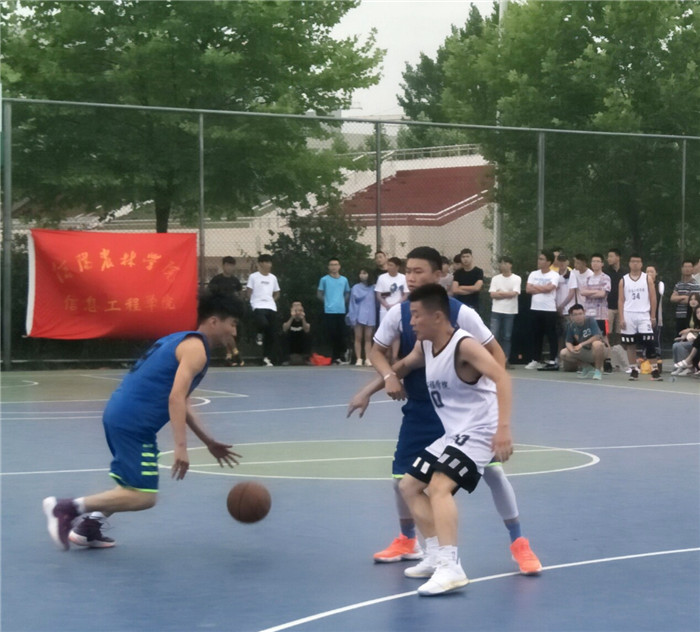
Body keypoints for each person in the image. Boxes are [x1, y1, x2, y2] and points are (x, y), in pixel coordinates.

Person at [347, 246, 540, 575]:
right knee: (404, 480)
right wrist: (380, 383)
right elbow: (390, 357)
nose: (410, 277)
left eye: (418, 271)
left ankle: (517, 542)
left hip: (469, 414)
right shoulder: (404, 315)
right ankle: (413, 542)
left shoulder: (460, 317)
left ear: (439, 275)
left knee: (489, 474)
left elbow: (497, 360)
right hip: (424, 408)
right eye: (407, 271)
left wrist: (488, 405)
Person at [42, 292, 243, 551]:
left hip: (122, 415)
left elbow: (184, 401)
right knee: (144, 496)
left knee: (131, 482)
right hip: (133, 423)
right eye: (232, 324)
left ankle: (88, 528)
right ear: (214, 321)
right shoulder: (196, 350)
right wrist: (180, 447)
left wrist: (208, 442)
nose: (234, 332)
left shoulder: (180, 340)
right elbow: (175, 397)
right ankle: (65, 508)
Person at [385, 283, 519, 595]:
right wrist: (373, 387)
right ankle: (434, 555)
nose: (411, 322)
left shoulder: (464, 346)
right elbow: (401, 368)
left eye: (416, 315)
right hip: (454, 433)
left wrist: (503, 428)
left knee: (439, 487)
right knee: (408, 485)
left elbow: (502, 376)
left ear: (437, 316)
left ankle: (451, 567)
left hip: (480, 432)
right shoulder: (426, 346)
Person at [618, 254, 661, 381]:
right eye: (633, 261)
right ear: (629, 263)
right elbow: (621, 300)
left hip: (643, 314)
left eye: (638, 261)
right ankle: (633, 369)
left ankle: (654, 369)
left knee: (649, 341)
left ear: (641, 264)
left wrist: (652, 316)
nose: (635, 264)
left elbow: (653, 298)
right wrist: (621, 318)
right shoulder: (623, 280)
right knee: (630, 343)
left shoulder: (647, 279)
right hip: (629, 314)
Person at [525, 250, 560, 370]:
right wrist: (543, 288)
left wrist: (535, 286)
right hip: (535, 308)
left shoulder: (554, 275)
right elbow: (528, 289)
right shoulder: (533, 274)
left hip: (549, 309)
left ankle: (553, 359)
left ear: (548, 262)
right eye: (539, 259)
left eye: (542, 259)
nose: (539, 261)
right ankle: (536, 359)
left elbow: (550, 288)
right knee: (536, 335)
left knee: (551, 335)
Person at [208, 256, 244, 366]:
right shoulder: (217, 280)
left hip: (232, 310)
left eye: (232, 266)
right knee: (226, 332)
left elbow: (240, 294)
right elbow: (210, 294)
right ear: (223, 266)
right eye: (228, 265)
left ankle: (229, 356)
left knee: (229, 333)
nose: (230, 268)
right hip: (220, 310)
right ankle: (235, 354)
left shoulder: (235, 281)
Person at [246, 254, 280, 367]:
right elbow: (249, 291)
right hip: (258, 305)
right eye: (267, 262)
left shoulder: (273, 278)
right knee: (263, 323)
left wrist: (272, 300)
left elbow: (277, 293)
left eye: (270, 262)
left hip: (271, 306)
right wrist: (252, 302)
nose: (269, 265)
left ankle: (266, 358)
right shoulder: (253, 277)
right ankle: (258, 333)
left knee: (271, 333)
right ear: (261, 263)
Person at [318, 257, 351, 364]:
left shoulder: (344, 280)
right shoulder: (324, 279)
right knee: (331, 334)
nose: (334, 267)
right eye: (331, 265)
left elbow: (347, 292)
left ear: (339, 266)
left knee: (341, 334)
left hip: (341, 311)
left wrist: (342, 302)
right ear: (328, 267)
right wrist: (327, 302)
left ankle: (342, 355)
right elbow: (319, 293)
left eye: (336, 264)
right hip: (329, 311)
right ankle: (333, 356)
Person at [489, 255, 521, 364]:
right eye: (501, 263)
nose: (503, 265)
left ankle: (505, 359)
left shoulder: (516, 278)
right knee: (494, 335)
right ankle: (493, 358)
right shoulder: (495, 278)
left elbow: (514, 293)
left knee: (507, 336)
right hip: (496, 310)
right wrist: (506, 294)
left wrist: (500, 293)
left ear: (510, 265)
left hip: (510, 311)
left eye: (506, 263)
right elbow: (492, 294)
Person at [559, 304, 606, 380]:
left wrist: (581, 344)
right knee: (563, 353)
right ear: (571, 316)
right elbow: (568, 342)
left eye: (580, 314)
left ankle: (598, 371)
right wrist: (571, 349)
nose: (578, 316)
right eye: (575, 314)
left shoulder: (590, 320)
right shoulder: (571, 325)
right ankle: (587, 367)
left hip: (596, 350)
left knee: (597, 344)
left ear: (584, 313)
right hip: (584, 350)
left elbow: (596, 336)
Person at [347, 269, 377, 366]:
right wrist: (352, 316)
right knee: (358, 337)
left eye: (364, 273)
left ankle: (368, 358)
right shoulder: (355, 287)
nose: (362, 275)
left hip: (370, 314)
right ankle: (359, 358)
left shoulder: (374, 288)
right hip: (358, 314)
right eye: (360, 273)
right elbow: (352, 303)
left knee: (368, 337)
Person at [579, 254, 611, 336]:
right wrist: (597, 291)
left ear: (602, 264)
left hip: (601, 315)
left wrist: (589, 292)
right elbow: (582, 292)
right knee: (588, 337)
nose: (595, 263)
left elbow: (603, 294)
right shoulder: (588, 278)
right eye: (593, 261)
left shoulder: (605, 278)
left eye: (598, 261)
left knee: (602, 337)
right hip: (588, 314)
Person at [553, 253, 577, 354]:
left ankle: (569, 355)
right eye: (560, 261)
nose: (562, 263)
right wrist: (556, 306)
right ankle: (559, 356)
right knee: (558, 335)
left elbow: (572, 293)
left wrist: (562, 306)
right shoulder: (554, 275)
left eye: (564, 261)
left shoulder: (572, 275)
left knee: (568, 335)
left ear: (567, 262)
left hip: (567, 310)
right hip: (555, 309)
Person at [669, 259, 700, 335]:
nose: (687, 269)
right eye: (685, 267)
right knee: (679, 336)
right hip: (679, 315)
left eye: (689, 267)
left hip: (690, 316)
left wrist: (679, 297)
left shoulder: (696, 285)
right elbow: (672, 298)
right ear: (682, 269)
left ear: (693, 269)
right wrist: (684, 297)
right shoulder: (678, 284)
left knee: (690, 337)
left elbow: (694, 300)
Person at [671, 297, 700, 376]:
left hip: (696, 341)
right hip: (694, 339)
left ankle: (688, 366)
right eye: (691, 299)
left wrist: (690, 330)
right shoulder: (689, 314)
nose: (693, 301)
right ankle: (680, 367)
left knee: (681, 346)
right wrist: (684, 336)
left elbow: (695, 330)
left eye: (695, 299)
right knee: (676, 345)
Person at [375, 257, 408, 322]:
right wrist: (387, 305)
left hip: (398, 308)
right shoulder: (382, 277)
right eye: (388, 265)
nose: (388, 267)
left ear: (397, 267)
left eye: (391, 265)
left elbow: (406, 294)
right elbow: (378, 295)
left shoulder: (403, 278)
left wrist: (395, 305)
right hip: (385, 309)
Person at [604, 248, 626, 347]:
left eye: (611, 256)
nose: (608, 259)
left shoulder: (625, 272)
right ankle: (608, 351)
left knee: (620, 331)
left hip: (622, 307)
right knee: (607, 331)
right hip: (608, 306)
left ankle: (618, 351)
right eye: (608, 257)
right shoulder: (605, 272)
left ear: (618, 257)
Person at [451, 248, 484, 313]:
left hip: (473, 305)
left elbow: (477, 287)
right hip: (460, 305)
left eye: (467, 256)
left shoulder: (478, 271)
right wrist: (472, 290)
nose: (465, 259)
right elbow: (455, 290)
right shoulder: (458, 273)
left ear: (472, 257)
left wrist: (461, 287)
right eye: (463, 257)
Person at [282, 301, 311, 365]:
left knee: (307, 336)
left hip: (301, 338)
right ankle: (286, 359)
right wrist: (292, 317)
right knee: (284, 335)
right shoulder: (288, 316)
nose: (297, 310)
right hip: (291, 338)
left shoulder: (305, 316)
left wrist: (303, 319)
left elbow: (307, 330)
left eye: (299, 308)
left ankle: (306, 358)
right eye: (295, 307)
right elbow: (285, 329)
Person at [645, 264, 665, 358]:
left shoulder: (660, 284)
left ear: (656, 273)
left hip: (656, 315)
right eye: (647, 271)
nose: (649, 273)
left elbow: (659, 296)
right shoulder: (641, 285)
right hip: (644, 315)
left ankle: (657, 355)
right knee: (645, 336)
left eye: (652, 271)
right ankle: (645, 355)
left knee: (655, 336)